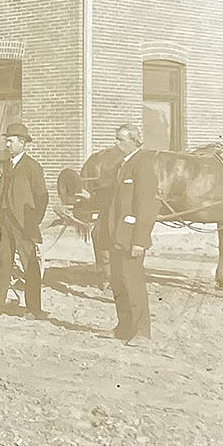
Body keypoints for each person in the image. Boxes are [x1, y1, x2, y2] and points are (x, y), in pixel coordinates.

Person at [96, 123, 159, 341]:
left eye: (120, 139)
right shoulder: (122, 165)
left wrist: (140, 240)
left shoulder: (142, 164)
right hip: (115, 235)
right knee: (119, 283)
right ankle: (123, 327)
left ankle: (142, 332)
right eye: (116, 138)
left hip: (131, 237)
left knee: (133, 284)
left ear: (134, 141)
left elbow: (147, 205)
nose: (116, 143)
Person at [0, 122, 48, 317]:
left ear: (22, 143)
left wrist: (32, 221)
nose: (7, 145)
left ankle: (34, 309)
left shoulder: (32, 167)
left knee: (29, 265)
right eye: (6, 141)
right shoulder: (8, 165)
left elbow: (42, 197)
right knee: (3, 263)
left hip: (23, 225)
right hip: (6, 223)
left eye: (11, 141)